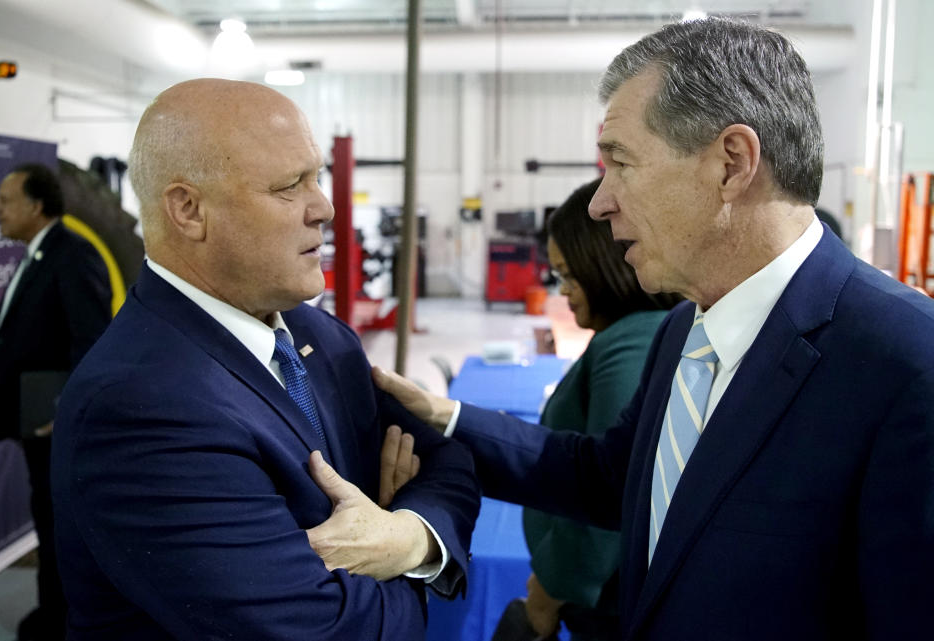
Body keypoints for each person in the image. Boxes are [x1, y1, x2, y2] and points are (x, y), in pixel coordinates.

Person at [373, 18, 934, 641]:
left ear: (731, 165)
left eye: (621, 164)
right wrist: (444, 416)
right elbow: (611, 478)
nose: (598, 202)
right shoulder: (682, 332)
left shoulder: (906, 362)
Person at [50, 78, 479, 641]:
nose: (323, 206)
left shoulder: (319, 336)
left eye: (317, 177)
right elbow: (327, 632)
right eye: (288, 186)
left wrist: (407, 538)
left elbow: (448, 463)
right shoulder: (140, 409)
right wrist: (406, 569)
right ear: (188, 210)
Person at [520, 177, 681, 640]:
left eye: (570, 276)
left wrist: (553, 588)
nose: (564, 292)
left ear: (607, 266)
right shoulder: (631, 335)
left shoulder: (630, 342)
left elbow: (612, 485)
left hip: (602, 604)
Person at [0, 162, 112, 641]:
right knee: (47, 517)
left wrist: (64, 411)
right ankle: (50, 611)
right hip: (34, 424)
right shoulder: (40, 253)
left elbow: (92, 340)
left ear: (36, 206)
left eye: (5, 199)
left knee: (59, 524)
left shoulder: (72, 256)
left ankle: (60, 622)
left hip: (54, 427)